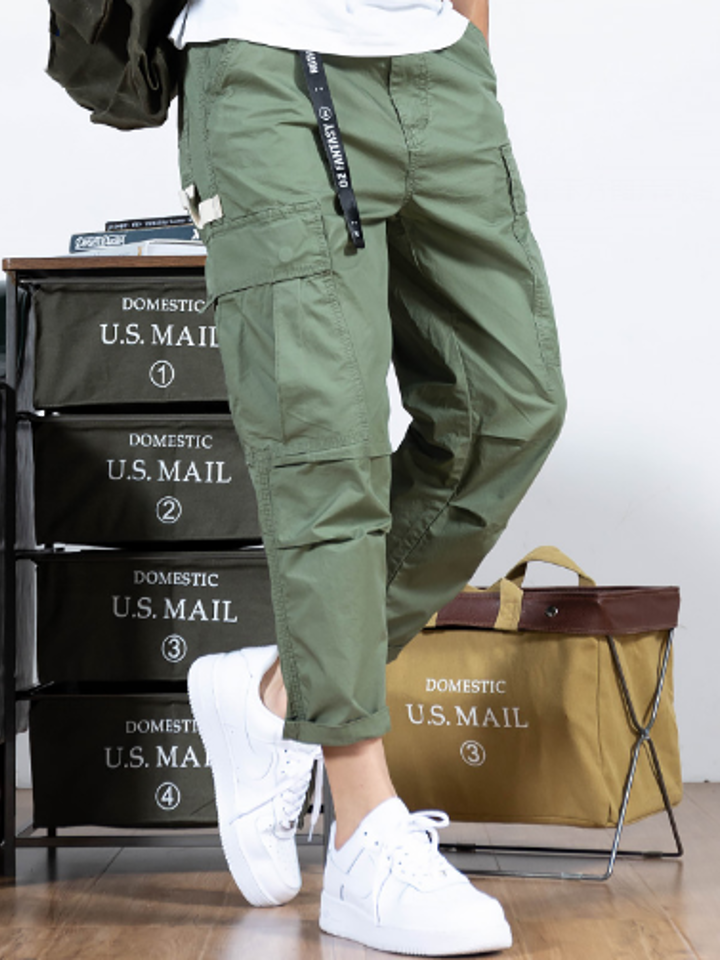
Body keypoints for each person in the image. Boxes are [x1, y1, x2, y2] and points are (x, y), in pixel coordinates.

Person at [173, 0, 566, 953]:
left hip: (437, 64)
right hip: (270, 61)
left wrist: (465, 39)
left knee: (506, 411)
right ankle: (362, 837)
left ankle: (275, 693)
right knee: (326, 450)